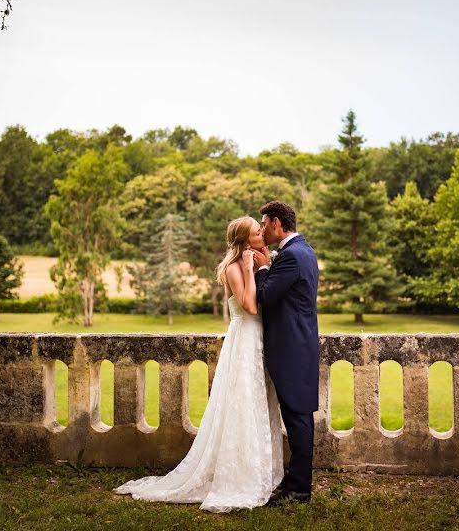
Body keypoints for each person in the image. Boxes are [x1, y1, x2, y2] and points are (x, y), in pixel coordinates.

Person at [112, 216, 284, 512]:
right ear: (245, 239)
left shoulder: (258, 260)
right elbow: (251, 306)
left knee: (258, 403)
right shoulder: (233, 268)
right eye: (258, 231)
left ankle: (260, 469)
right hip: (244, 339)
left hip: (258, 340)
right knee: (241, 403)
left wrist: (262, 265)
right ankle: (239, 477)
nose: (263, 233)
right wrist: (247, 268)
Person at [252, 201, 320, 506]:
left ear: (277, 223)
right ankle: (295, 482)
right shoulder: (302, 250)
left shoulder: (291, 256)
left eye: (264, 224)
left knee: (298, 418)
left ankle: (299, 490)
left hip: (293, 348)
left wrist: (263, 266)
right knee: (298, 417)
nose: (262, 229)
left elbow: (265, 296)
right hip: (298, 344)